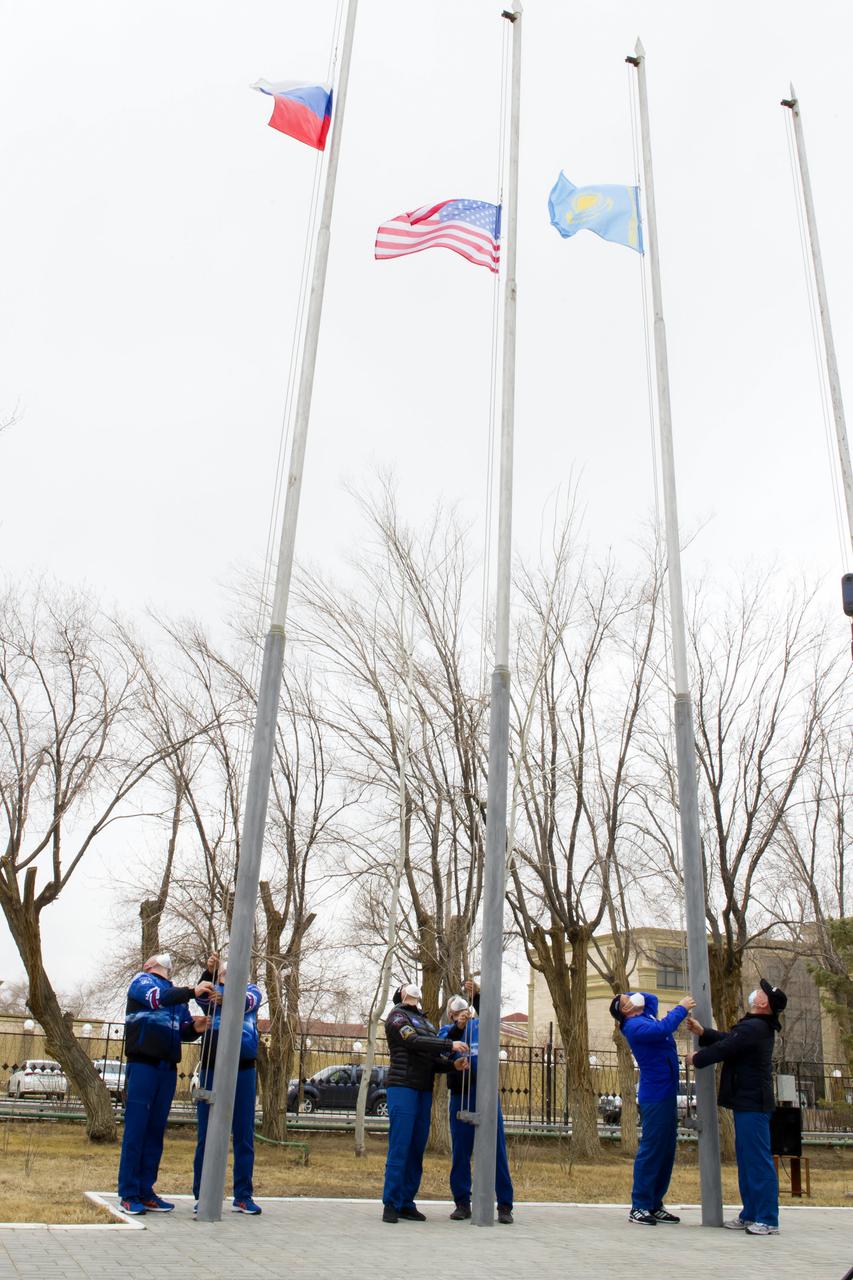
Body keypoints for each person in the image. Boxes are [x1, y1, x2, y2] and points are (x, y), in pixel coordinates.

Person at [689, 979, 787, 1237]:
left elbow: (727, 1047)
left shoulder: (755, 1027)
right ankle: (750, 1213)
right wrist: (704, 1033)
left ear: (764, 1003)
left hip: (753, 1104)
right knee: (747, 1161)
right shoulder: (754, 1027)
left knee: (757, 1162)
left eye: (762, 992)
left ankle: (767, 1218)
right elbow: (730, 1040)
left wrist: (697, 1058)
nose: (756, 992)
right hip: (747, 1102)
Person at [118, 953, 213, 1215]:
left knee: (155, 1131)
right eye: (158, 961)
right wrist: (193, 991)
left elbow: (182, 1029)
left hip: (167, 1067)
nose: (165, 962)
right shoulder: (142, 981)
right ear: (149, 965)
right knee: (137, 1129)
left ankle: (146, 1190)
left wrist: (196, 1027)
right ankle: (128, 1192)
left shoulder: (174, 993)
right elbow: (155, 1000)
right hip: (143, 1064)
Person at [382, 982, 469, 1223]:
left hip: (423, 1089)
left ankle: (406, 1202)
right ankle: (391, 1202)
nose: (412, 989)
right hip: (402, 1088)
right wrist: (449, 1044)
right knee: (400, 1145)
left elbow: (432, 1058)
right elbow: (413, 1042)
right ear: (401, 994)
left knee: (416, 1147)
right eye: (406, 987)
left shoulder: (428, 1023)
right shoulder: (396, 1017)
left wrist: (452, 1064)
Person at [609, 988, 695, 1226]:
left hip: (666, 1092)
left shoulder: (643, 1015)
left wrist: (629, 994)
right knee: (652, 1149)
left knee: (667, 1150)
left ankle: (655, 1204)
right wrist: (681, 1008)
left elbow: (652, 998)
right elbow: (663, 1028)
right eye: (627, 999)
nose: (633, 997)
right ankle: (640, 1205)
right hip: (655, 1095)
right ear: (625, 1011)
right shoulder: (635, 1027)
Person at [438, 979, 514, 1224]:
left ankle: (504, 1205)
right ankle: (462, 1202)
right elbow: (444, 1049)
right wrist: (458, 1028)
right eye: (455, 1011)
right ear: (450, 1014)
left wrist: (478, 996)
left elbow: (492, 1018)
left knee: (497, 1151)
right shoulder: (446, 1032)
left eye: (463, 1009)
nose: (461, 1013)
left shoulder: (481, 1026)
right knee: (461, 1151)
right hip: (462, 1096)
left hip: (487, 1095)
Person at [192, 953, 263, 1216]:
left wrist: (228, 995)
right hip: (212, 1068)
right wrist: (208, 972)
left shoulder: (252, 991)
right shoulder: (210, 990)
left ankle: (243, 1195)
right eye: (224, 974)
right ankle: (203, 1194)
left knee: (244, 1134)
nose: (228, 978)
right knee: (206, 1134)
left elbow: (246, 1001)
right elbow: (199, 996)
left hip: (243, 1069)